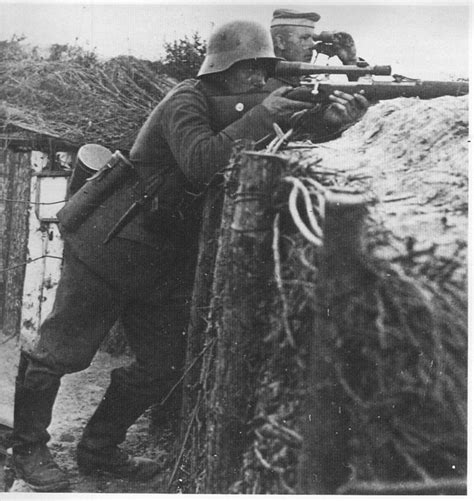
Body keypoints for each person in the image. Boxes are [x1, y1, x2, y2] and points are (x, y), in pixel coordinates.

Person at [10, 19, 368, 492]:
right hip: (108, 247)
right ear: (223, 68)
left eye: (265, 71)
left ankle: (98, 448)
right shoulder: (186, 100)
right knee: (60, 354)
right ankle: (28, 450)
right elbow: (202, 161)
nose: (260, 81)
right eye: (251, 71)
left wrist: (328, 123)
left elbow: (271, 140)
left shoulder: (237, 104)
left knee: (163, 364)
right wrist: (264, 114)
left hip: (159, 261)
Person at [270, 8, 359, 66]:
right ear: (280, 42)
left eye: (313, 38)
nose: (312, 46)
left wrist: (351, 61)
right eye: (304, 38)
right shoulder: (263, 87)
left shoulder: (307, 82)